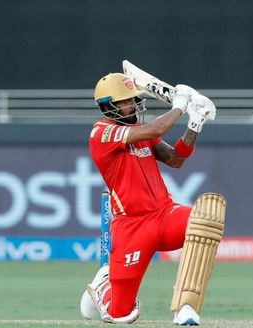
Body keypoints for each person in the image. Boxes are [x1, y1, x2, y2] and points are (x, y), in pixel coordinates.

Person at [80, 72, 225, 325]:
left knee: (204, 219)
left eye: (133, 99)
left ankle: (185, 306)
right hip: (132, 226)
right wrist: (180, 106)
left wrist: (195, 124)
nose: (133, 104)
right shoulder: (101, 133)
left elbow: (175, 160)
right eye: (126, 101)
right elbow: (157, 127)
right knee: (121, 315)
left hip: (164, 215)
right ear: (108, 106)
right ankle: (104, 285)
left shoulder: (141, 132)